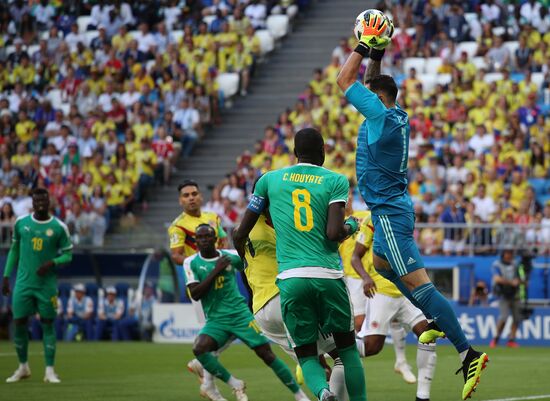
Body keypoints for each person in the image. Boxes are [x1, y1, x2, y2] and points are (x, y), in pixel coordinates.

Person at [336, 17, 488, 400]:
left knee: (419, 282)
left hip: (387, 212)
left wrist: (361, 44)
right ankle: (429, 316)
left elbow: (344, 82)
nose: (364, 100)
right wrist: (378, 51)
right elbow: (373, 82)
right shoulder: (394, 114)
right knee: (384, 266)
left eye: (370, 95)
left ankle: (468, 352)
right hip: (396, 206)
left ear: (378, 99)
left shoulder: (379, 116)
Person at [233, 128, 366, 401]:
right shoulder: (336, 180)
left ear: (294, 153)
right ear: (323, 152)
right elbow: (333, 233)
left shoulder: (269, 180)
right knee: (347, 351)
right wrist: (352, 225)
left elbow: (239, 233)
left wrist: (247, 261)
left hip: (290, 280)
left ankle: (322, 392)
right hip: (327, 275)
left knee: (306, 355)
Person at [184, 224, 307, 401]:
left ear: (215, 239)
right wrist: (216, 270)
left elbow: (245, 267)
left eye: (207, 236)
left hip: (240, 314)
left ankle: (300, 396)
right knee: (200, 349)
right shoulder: (191, 262)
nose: (204, 240)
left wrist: (251, 295)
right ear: (195, 241)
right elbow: (195, 294)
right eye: (200, 237)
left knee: (266, 354)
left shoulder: (230, 256)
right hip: (216, 320)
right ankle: (234, 383)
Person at [241, 207, 347, 401]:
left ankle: (323, 393)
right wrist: (349, 227)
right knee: (343, 355)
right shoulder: (283, 226)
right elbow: (324, 243)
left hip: (262, 311)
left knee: (310, 360)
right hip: (286, 298)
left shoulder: (241, 231)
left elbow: (242, 266)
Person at [351, 215, 437, 401]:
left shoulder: (403, 215)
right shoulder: (371, 221)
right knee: (372, 347)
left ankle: (423, 396)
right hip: (381, 291)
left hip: (406, 290)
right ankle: (329, 348)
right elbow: (355, 257)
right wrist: (366, 277)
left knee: (427, 334)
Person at [2, 188, 73, 383]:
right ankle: (23, 367)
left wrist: (52, 263)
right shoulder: (21, 223)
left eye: (43, 200)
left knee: (48, 324)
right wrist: (6, 276)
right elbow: (14, 250)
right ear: (32, 203)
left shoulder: (58, 227)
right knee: (19, 324)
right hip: (23, 283)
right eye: (37, 201)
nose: (40, 204)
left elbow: (68, 254)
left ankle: (50, 371)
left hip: (46, 285)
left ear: (49, 201)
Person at [167, 180, 229, 401]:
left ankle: (200, 365)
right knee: (214, 334)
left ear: (201, 196)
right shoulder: (177, 226)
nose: (191, 197)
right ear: (180, 200)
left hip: (222, 282)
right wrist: (201, 263)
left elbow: (222, 240)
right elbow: (175, 255)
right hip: (200, 286)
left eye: (194, 193)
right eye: (186, 195)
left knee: (226, 331)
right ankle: (209, 387)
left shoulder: (213, 217)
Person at [490, 249, 523, 348]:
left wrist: (519, 281)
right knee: (503, 317)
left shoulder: (515, 264)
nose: (509, 255)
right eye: (507, 253)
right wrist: (511, 282)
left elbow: (520, 278)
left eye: (510, 253)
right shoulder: (497, 264)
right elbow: (497, 278)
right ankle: (496, 338)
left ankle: (511, 340)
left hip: (514, 294)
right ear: (503, 254)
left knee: (517, 317)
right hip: (503, 294)